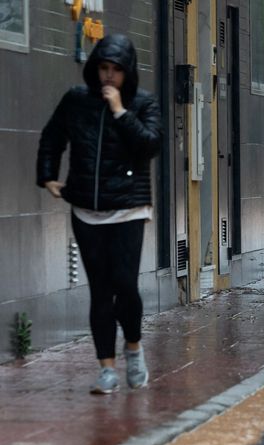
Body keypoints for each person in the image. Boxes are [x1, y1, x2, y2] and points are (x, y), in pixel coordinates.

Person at [36, 34, 162, 394]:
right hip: (86, 210)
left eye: (116, 71)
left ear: (128, 73)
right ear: (95, 68)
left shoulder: (143, 102)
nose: (109, 77)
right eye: (103, 69)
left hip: (128, 209)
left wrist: (121, 111)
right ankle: (106, 368)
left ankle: (134, 349)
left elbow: (150, 145)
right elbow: (52, 136)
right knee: (100, 291)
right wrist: (47, 175)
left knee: (125, 285)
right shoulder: (77, 101)